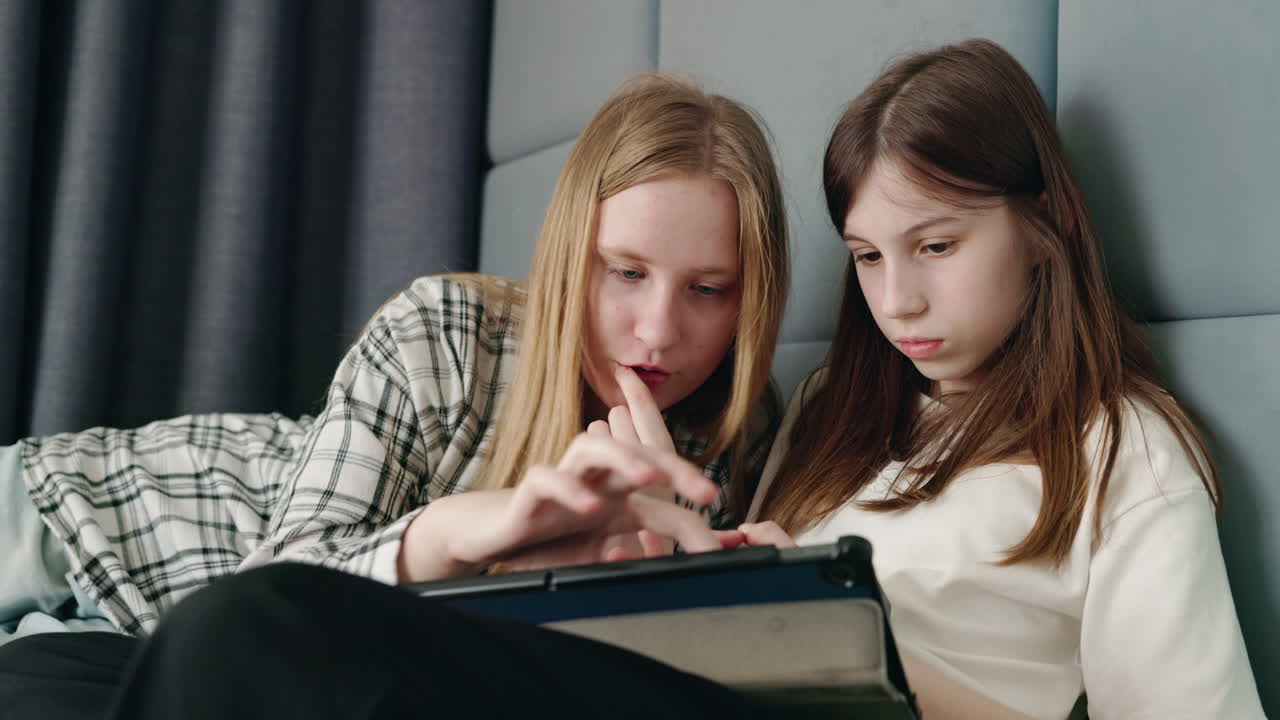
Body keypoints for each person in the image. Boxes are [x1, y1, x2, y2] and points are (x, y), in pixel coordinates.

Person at [0, 72, 789, 718]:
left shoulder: (740, 436)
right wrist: (452, 533)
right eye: (625, 272)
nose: (657, 330)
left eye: (708, 289)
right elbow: (279, 584)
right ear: (568, 256)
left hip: (153, 652)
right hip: (87, 516)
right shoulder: (448, 332)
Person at [741, 38, 1265, 719]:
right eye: (868, 256)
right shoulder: (830, 409)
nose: (897, 301)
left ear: (1048, 220)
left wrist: (837, 635)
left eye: (935, 246)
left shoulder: (1120, 452)